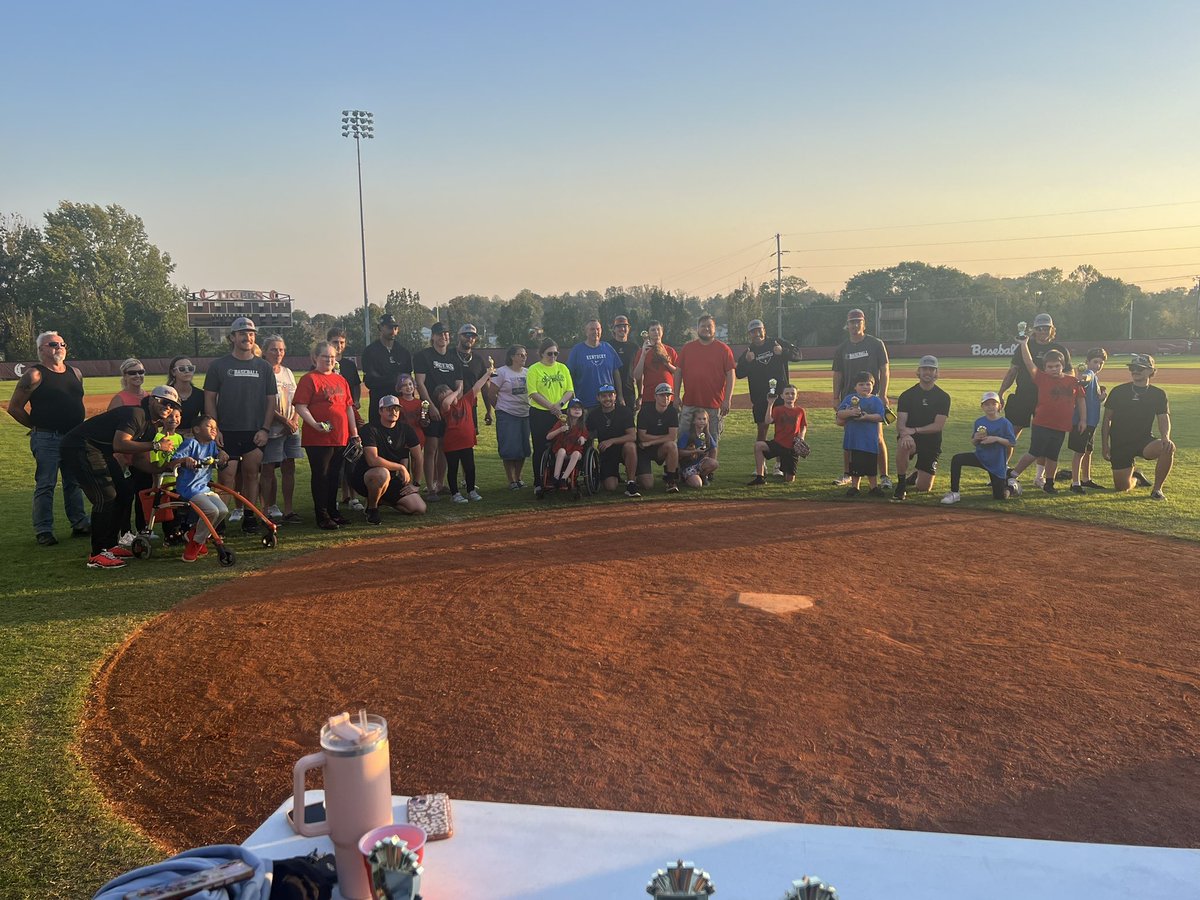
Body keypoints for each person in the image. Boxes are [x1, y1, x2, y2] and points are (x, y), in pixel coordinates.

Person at [60, 385, 183, 569]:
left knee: (125, 491)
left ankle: (110, 545)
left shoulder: (150, 427)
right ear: (151, 400)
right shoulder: (136, 414)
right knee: (106, 496)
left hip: (99, 450)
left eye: (172, 405)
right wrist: (156, 446)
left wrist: (164, 467)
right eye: (164, 402)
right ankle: (97, 553)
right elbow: (120, 444)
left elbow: (140, 460)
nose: (168, 407)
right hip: (79, 446)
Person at [6, 330, 90, 546]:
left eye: (62, 343)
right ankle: (44, 529)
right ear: (41, 350)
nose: (59, 347)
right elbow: (14, 407)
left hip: (74, 437)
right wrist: (35, 426)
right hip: (47, 438)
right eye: (53, 344)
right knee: (46, 484)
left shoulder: (76, 372)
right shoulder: (35, 375)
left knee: (74, 482)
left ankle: (79, 523)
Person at [203, 316, 277, 535]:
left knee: (252, 473)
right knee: (226, 475)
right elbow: (209, 398)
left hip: (254, 431)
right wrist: (215, 429)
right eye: (243, 334)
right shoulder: (219, 365)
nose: (248, 337)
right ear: (232, 337)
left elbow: (271, 400)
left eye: (251, 334)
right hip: (227, 431)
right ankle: (221, 517)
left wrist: (265, 429)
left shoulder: (263, 367)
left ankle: (249, 516)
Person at [998, 312, 1071, 482]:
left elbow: (1069, 373)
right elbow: (1013, 371)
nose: (1043, 331)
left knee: (1045, 438)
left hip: (1048, 400)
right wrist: (1001, 392)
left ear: (1052, 329)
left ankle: (1040, 476)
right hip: (1023, 396)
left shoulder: (1060, 349)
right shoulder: (1024, 345)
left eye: (1046, 328)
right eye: (1039, 328)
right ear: (1034, 330)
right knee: (1010, 435)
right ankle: (1001, 470)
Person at [294, 341, 360, 530]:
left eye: (332, 357)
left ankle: (333, 511)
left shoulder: (340, 380)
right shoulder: (310, 379)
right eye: (325, 357)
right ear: (315, 358)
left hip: (340, 435)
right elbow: (300, 406)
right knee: (321, 475)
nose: (329, 360)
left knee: (334, 476)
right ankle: (322, 515)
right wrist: (314, 424)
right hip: (318, 438)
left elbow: (348, 408)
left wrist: (354, 433)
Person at [1008, 339, 1085, 493]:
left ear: (1063, 366)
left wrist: (1083, 419)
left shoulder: (1072, 381)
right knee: (1034, 452)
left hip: (1061, 425)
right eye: (1050, 367)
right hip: (1042, 423)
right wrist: (1024, 344)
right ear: (1044, 368)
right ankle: (1012, 475)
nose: (1054, 369)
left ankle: (1049, 483)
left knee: (1053, 456)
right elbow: (1028, 362)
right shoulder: (1042, 378)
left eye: (1057, 366)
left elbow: (1081, 400)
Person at [1101, 353, 1174, 500]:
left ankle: (1157, 490)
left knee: (1168, 447)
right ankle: (1137, 478)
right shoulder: (1118, 391)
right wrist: (1105, 445)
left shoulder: (1158, 394)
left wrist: (1166, 437)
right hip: (1120, 444)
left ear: (1151, 371)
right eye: (1133, 368)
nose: (1135, 371)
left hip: (1143, 441)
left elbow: (1163, 417)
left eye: (1140, 368)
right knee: (1122, 487)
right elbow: (1107, 419)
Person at [831, 308, 891, 488]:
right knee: (850, 437)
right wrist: (835, 397)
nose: (855, 325)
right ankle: (848, 474)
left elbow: (885, 369)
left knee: (878, 437)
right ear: (847, 325)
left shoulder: (875, 343)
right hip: (850, 398)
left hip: (871, 397)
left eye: (858, 321)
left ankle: (884, 476)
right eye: (852, 322)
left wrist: (883, 394)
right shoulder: (842, 348)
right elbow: (837, 374)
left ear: (864, 323)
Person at [353, 395, 426, 522]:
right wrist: (400, 467)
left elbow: (418, 456)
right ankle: (372, 509)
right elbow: (372, 460)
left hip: (391, 479)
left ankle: (381, 499)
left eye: (396, 409)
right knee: (382, 473)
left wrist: (416, 484)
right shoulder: (370, 429)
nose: (393, 412)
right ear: (380, 411)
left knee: (419, 508)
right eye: (389, 409)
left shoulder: (405, 429)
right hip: (366, 477)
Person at [413, 322, 463, 501]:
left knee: (444, 447)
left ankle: (440, 483)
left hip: (448, 410)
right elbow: (420, 383)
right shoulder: (423, 356)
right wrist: (431, 406)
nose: (444, 337)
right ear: (433, 337)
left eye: (447, 334)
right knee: (431, 447)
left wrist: (453, 399)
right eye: (440, 334)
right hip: (430, 408)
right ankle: (430, 487)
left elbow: (460, 386)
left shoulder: (454, 359)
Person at [675, 314, 735, 460]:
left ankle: (708, 469)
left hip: (713, 404)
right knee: (683, 436)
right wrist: (675, 396)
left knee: (712, 439)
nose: (706, 329)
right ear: (697, 329)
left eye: (709, 326)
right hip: (690, 402)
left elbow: (730, 374)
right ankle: (680, 468)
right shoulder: (688, 348)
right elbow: (678, 372)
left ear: (714, 329)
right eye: (703, 326)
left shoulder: (723, 349)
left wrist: (727, 399)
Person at [892, 355, 952, 501]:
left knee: (923, 488)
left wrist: (914, 430)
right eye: (925, 368)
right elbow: (901, 423)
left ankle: (918, 472)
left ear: (936, 373)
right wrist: (905, 435)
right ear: (919, 371)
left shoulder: (943, 397)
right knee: (903, 444)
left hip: (931, 441)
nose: (928, 372)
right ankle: (901, 485)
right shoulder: (907, 395)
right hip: (910, 438)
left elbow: (938, 426)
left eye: (931, 369)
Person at [941, 392, 1018, 504]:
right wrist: (976, 438)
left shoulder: (1005, 423)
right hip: (980, 457)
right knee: (957, 459)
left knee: (1000, 496)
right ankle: (954, 493)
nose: (990, 407)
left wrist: (996, 439)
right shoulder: (979, 422)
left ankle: (1012, 487)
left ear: (999, 406)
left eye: (993, 404)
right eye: (987, 404)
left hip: (996, 462)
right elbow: (974, 442)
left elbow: (1012, 442)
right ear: (982, 407)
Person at [172, 415, 230, 562]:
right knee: (211, 511)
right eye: (209, 426)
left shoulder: (211, 445)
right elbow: (173, 461)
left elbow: (218, 456)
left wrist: (222, 454)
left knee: (223, 510)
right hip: (189, 488)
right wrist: (185, 460)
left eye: (215, 428)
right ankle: (196, 542)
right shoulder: (190, 443)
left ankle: (194, 534)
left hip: (203, 488)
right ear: (197, 429)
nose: (213, 430)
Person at [436, 361, 494, 503]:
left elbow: (477, 386)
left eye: (449, 393)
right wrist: (456, 391)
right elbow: (445, 403)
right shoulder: (446, 408)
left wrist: (488, 373)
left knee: (470, 468)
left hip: (466, 443)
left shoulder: (466, 400)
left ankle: (471, 491)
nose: (451, 396)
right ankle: (455, 494)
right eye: (446, 395)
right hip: (452, 444)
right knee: (453, 469)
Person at [259, 335, 303, 524]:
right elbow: (261, 403)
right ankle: (265, 511)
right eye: (274, 349)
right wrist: (284, 421)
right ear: (265, 351)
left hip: (290, 429)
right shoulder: (261, 371)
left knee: (289, 468)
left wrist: (293, 420)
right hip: (272, 428)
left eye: (281, 349)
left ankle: (288, 510)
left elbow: (297, 399)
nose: (278, 353)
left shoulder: (287, 372)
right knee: (268, 469)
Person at [736, 319, 798, 443]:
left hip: (781, 395)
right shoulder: (749, 352)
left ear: (764, 330)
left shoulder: (776, 343)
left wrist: (783, 352)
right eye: (753, 332)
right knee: (762, 429)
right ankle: (761, 462)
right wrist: (747, 362)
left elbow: (798, 355)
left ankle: (780, 461)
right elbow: (738, 373)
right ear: (749, 334)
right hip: (760, 398)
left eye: (759, 330)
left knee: (782, 429)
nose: (757, 334)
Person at [526, 339, 575, 497]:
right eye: (549, 353)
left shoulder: (563, 368)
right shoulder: (534, 369)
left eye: (555, 353)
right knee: (540, 447)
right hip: (540, 413)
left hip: (561, 413)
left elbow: (569, 390)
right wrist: (550, 406)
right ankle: (538, 482)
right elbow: (533, 393)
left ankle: (559, 478)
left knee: (561, 446)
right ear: (541, 354)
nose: (553, 356)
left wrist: (559, 404)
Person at [329, 326, 365, 512]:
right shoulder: (324, 364)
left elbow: (356, 386)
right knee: (334, 459)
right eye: (336, 342)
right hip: (333, 417)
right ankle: (332, 497)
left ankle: (352, 496)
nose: (339, 345)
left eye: (342, 342)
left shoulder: (349, 365)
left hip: (350, 412)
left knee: (353, 454)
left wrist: (357, 401)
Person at [1064, 348, 1108, 493]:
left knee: (1088, 451)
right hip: (1082, 422)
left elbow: (1091, 399)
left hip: (1091, 421)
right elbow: (1085, 378)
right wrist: (1083, 378)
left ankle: (1086, 479)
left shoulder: (1095, 377)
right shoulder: (1089, 374)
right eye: (1095, 362)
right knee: (1079, 452)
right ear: (1087, 362)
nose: (1098, 365)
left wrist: (1101, 397)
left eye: (1101, 363)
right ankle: (1075, 483)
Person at [488, 345, 531, 490]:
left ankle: (519, 477)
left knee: (522, 448)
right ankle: (511, 480)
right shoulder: (501, 372)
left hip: (524, 414)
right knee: (509, 449)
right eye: (520, 355)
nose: (524, 357)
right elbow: (491, 394)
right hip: (507, 415)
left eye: (524, 355)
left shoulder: (528, 372)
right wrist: (501, 409)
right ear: (512, 357)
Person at [836, 371, 886, 497]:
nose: (865, 387)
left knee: (871, 464)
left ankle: (873, 486)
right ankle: (855, 486)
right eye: (861, 384)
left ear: (873, 386)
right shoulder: (850, 399)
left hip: (870, 440)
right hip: (854, 439)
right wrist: (850, 413)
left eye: (868, 384)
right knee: (855, 464)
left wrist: (866, 416)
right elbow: (839, 414)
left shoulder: (876, 400)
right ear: (855, 386)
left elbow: (881, 416)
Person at [586, 383, 640, 497]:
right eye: (604, 396)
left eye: (610, 395)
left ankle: (631, 483)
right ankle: (610, 475)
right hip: (607, 452)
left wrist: (611, 441)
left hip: (623, 449)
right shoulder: (594, 415)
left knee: (630, 446)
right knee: (610, 486)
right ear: (598, 398)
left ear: (615, 396)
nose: (607, 399)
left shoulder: (625, 411)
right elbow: (589, 435)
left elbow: (632, 436)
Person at [748, 384, 807, 486]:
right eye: (787, 393)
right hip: (778, 444)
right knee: (759, 445)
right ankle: (760, 477)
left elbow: (803, 426)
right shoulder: (778, 409)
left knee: (789, 479)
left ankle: (784, 469)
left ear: (797, 396)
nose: (790, 396)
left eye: (793, 393)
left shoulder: (800, 411)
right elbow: (767, 421)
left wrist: (801, 437)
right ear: (782, 396)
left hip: (791, 447)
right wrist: (770, 404)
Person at [361, 314, 413, 423]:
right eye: (389, 327)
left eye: (395, 328)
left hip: (399, 404)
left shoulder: (403, 352)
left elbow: (408, 379)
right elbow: (370, 381)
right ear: (380, 328)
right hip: (379, 403)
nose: (393, 331)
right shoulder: (370, 351)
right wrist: (394, 379)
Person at [566, 318, 624, 408]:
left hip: (607, 401)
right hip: (585, 403)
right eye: (592, 329)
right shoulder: (577, 350)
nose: (595, 332)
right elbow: (569, 376)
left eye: (598, 329)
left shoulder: (608, 348)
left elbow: (616, 373)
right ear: (586, 332)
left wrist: (620, 396)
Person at [636, 383, 681, 493]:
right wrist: (664, 437)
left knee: (672, 446)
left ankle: (670, 480)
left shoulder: (672, 411)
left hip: (659, 448)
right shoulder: (645, 411)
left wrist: (650, 442)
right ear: (655, 396)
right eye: (662, 395)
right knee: (648, 485)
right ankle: (638, 475)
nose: (665, 398)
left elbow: (673, 437)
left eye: (668, 395)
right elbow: (642, 437)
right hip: (643, 450)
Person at [454, 324, 494, 430]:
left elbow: (485, 387)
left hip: (470, 406)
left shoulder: (478, 359)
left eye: (473, 336)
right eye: (466, 335)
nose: (470, 339)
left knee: (469, 440)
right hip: (451, 405)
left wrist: (489, 411)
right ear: (459, 336)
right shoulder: (449, 355)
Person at [631, 321, 679, 409]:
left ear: (662, 332)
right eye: (653, 330)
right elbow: (637, 376)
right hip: (649, 397)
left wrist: (667, 364)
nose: (656, 332)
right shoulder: (642, 351)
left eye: (658, 329)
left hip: (668, 397)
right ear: (648, 333)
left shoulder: (670, 350)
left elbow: (679, 373)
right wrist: (643, 355)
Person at [546, 398, 590, 491]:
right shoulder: (562, 422)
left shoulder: (582, 425)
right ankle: (556, 477)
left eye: (579, 408)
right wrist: (560, 430)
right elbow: (548, 437)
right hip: (562, 450)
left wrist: (583, 439)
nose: (577, 410)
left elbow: (585, 437)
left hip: (575, 451)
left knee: (576, 453)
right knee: (561, 451)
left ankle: (564, 478)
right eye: (574, 408)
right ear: (568, 411)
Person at [393, 373, 426, 491]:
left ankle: (416, 484)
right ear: (399, 388)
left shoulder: (419, 403)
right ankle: (404, 485)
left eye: (410, 384)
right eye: (405, 385)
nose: (408, 387)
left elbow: (424, 422)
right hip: (402, 436)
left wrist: (425, 419)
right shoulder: (397, 401)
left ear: (414, 385)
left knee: (417, 459)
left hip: (417, 434)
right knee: (403, 461)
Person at [677, 409, 719, 489]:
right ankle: (685, 477)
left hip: (700, 463)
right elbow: (679, 452)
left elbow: (713, 449)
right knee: (697, 484)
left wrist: (708, 460)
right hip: (688, 465)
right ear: (693, 421)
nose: (702, 421)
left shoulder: (706, 435)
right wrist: (695, 451)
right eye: (699, 419)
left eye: (704, 419)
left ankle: (703, 476)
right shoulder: (687, 435)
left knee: (714, 463)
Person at [166, 357, 206, 429]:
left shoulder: (200, 395)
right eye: (182, 369)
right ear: (173, 372)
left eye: (190, 368)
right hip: (171, 435)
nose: (187, 371)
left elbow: (204, 419)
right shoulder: (166, 393)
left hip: (192, 436)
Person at [609, 314, 640, 406]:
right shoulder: (608, 346)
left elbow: (639, 373)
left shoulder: (634, 348)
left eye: (624, 326)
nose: (622, 329)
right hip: (610, 392)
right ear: (614, 329)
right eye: (619, 326)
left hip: (629, 392)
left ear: (629, 328)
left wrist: (640, 396)